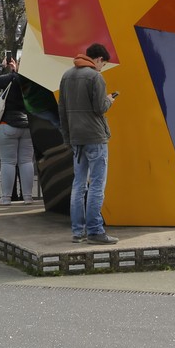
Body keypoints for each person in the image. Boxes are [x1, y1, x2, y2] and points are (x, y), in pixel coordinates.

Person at [59, 42, 117, 244]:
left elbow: (61, 110)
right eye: (103, 64)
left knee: (79, 184)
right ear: (99, 59)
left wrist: (67, 137)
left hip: (76, 138)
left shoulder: (67, 76)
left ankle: (78, 231)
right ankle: (95, 231)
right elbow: (100, 108)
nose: (102, 68)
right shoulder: (95, 77)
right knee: (97, 185)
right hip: (95, 137)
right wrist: (109, 100)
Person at [0, 57, 33, 206]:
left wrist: (1, 66)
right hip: (27, 125)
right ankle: (28, 197)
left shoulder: (12, 78)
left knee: (8, 162)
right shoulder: (33, 81)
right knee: (26, 161)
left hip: (7, 124)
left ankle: (6, 198)